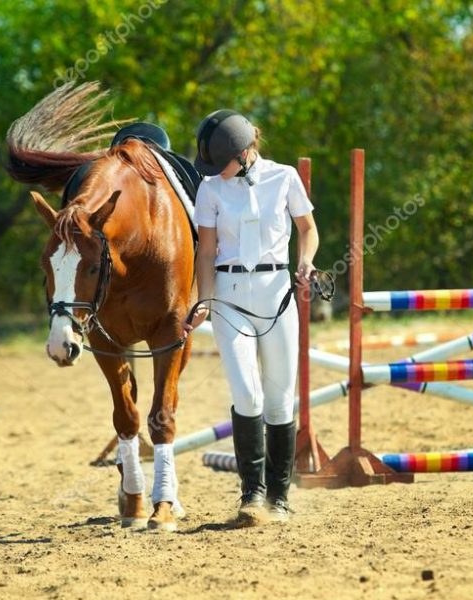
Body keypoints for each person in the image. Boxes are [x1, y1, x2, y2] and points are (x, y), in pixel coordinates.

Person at [184, 109, 319, 525]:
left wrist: (306, 263)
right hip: (229, 296)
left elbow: (308, 229)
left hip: (276, 292)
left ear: (243, 154)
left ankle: (279, 497)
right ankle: (251, 496)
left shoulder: (284, 177)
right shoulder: (209, 189)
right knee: (247, 395)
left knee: (280, 401)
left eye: (220, 163)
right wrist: (204, 299)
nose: (215, 172)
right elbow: (206, 251)